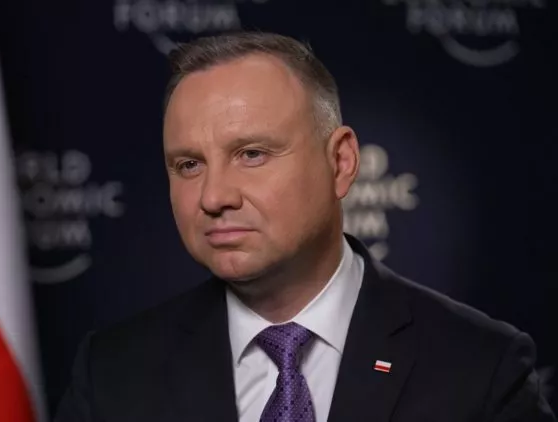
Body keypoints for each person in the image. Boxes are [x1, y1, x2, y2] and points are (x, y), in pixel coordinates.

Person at [55, 32, 555, 422]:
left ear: (340, 162)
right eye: (189, 165)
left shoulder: (480, 368)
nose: (213, 197)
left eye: (252, 154)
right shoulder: (112, 373)